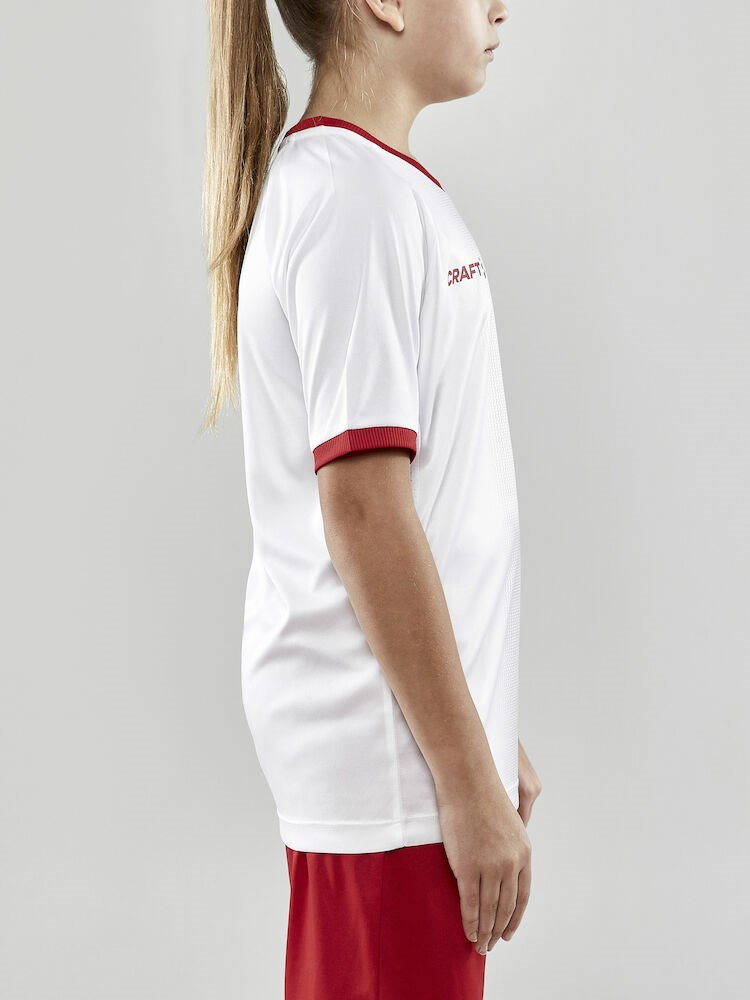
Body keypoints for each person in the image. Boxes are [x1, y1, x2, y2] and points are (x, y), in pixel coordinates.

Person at [201, 0, 542, 996]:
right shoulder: (352, 203)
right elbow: (365, 514)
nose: (501, 7)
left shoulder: (371, 189)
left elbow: (425, 506)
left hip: (402, 750)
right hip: (391, 765)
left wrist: (484, 721)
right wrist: (465, 774)